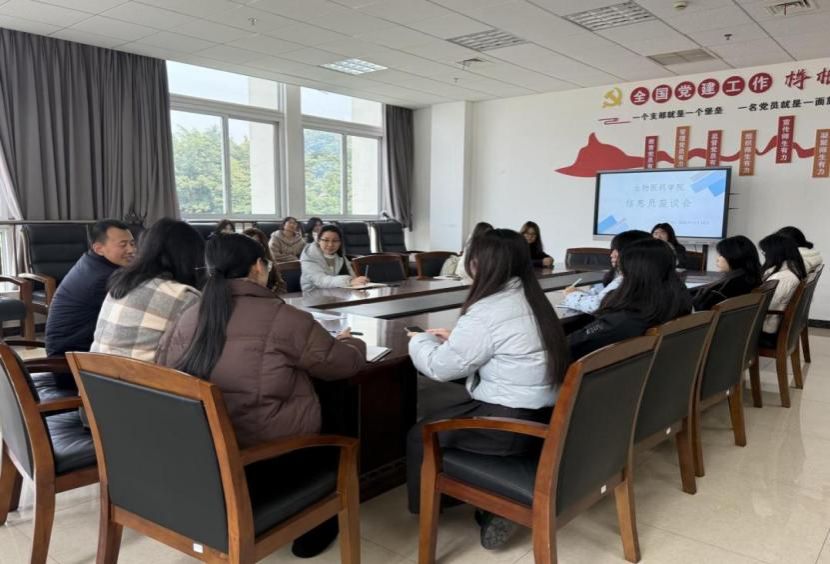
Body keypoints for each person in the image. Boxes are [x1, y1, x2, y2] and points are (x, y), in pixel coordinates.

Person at [157, 233, 366, 558]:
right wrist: (353, 342)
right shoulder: (283, 317)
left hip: (204, 453)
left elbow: (162, 368)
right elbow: (344, 364)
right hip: (267, 452)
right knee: (337, 403)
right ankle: (318, 523)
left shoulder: (188, 315)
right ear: (258, 266)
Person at [406, 229, 569, 549]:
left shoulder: (487, 309)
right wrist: (458, 338)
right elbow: (504, 343)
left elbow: (439, 368)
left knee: (419, 435)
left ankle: (438, 504)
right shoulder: (532, 297)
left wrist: (420, 339)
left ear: (479, 264)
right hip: (542, 415)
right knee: (446, 412)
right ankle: (488, 502)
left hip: (508, 424)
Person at [91, 219, 204, 361]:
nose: (132, 250)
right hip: (140, 374)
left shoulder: (120, 284)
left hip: (95, 371)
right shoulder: (185, 297)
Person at [568, 238, 692, 360]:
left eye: (622, 271)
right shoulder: (680, 301)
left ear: (632, 275)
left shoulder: (623, 321)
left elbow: (568, 346)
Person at [45, 220, 136, 357]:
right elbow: (129, 316)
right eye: (123, 245)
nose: (131, 250)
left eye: (132, 243)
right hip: (71, 360)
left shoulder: (92, 262)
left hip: (73, 351)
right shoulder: (102, 278)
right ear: (99, 248)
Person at [560, 230, 651, 314]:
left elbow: (597, 306)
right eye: (613, 249)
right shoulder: (634, 276)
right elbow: (602, 295)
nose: (612, 255)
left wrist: (571, 295)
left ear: (638, 254)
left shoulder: (627, 279)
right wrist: (581, 294)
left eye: (619, 250)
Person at [758, 233, 808, 347]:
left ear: (775, 253)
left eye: (764, 252)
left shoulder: (783, 278)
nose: (764, 255)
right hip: (774, 324)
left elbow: (767, 307)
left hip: (767, 331)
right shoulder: (793, 269)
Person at [692, 235, 762, 311]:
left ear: (734, 257)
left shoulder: (727, 289)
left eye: (721, 255)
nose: (717, 259)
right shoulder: (750, 278)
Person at [300, 225, 369, 291]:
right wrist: (349, 281)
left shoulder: (340, 256)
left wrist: (360, 281)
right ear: (318, 240)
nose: (330, 244)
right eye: (326, 240)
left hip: (337, 293)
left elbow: (353, 277)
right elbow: (321, 281)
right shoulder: (309, 256)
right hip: (313, 295)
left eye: (335, 241)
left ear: (340, 242)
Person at [242, 227, 287, 294]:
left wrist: (273, 293)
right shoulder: (237, 266)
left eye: (258, 243)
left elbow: (280, 285)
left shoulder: (269, 262)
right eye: (250, 243)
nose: (254, 247)